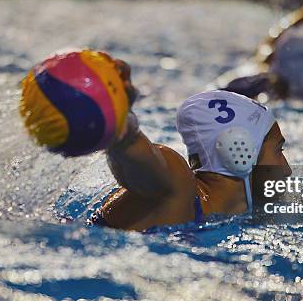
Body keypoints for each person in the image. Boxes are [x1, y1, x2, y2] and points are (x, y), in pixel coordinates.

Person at [89, 60, 291, 230]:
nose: (287, 169)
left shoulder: (235, 215)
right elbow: (134, 155)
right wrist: (118, 116)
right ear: (240, 150)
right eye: (278, 151)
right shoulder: (177, 186)